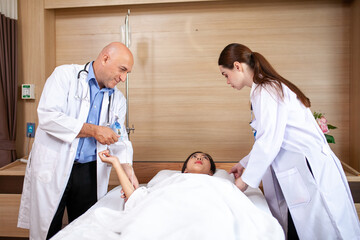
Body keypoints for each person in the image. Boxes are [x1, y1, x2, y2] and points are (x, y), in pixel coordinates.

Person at [218, 43, 360, 239]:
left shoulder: (266, 90)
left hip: (308, 169)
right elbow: (267, 138)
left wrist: (243, 183)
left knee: (328, 226)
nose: (227, 81)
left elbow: (268, 142)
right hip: (302, 167)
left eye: (225, 75)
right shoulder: (265, 89)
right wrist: (244, 164)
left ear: (237, 66)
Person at [17, 42, 139, 240]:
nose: (123, 78)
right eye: (122, 70)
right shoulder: (64, 76)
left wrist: (128, 171)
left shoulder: (118, 99)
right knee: (48, 228)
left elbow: (120, 138)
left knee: (85, 230)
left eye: (127, 73)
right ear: (105, 58)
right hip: (54, 165)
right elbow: (48, 117)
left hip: (89, 172)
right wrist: (94, 130)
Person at [98, 150, 216, 198]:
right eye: (194, 157)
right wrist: (116, 164)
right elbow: (135, 198)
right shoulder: (174, 179)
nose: (199, 158)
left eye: (204, 158)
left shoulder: (219, 185)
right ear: (185, 170)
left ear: (211, 173)